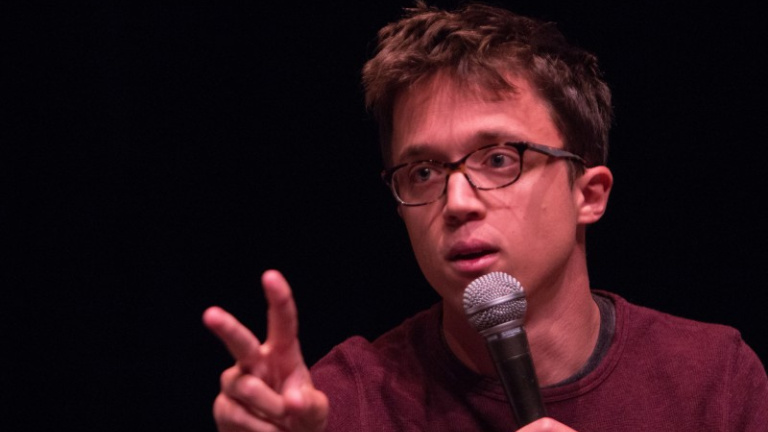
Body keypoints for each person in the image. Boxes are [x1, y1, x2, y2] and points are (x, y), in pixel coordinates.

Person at [202, 2, 768, 431]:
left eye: (498, 159)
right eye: (423, 171)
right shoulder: (345, 404)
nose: (457, 202)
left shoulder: (712, 379)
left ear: (589, 194)